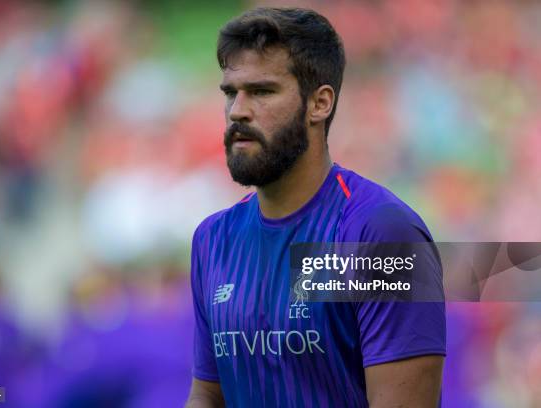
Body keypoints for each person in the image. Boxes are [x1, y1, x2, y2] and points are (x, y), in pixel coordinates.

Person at [186, 7, 446, 407]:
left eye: (261, 91)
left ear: (319, 103)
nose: (237, 110)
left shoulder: (379, 236)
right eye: (230, 93)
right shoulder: (212, 239)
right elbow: (207, 396)